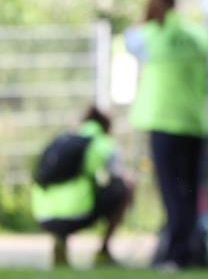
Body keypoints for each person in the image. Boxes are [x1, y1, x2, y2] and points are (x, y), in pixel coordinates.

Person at [125, 0, 208, 269]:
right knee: (189, 191)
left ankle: (176, 254)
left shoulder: (149, 34)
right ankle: (190, 250)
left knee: (171, 191)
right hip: (194, 121)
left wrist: (145, 18)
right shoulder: (198, 35)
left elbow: (128, 40)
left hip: (163, 121)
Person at [31, 106, 135, 267]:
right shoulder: (103, 144)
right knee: (124, 188)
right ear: (107, 127)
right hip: (78, 213)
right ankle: (103, 250)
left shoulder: (63, 140)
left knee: (72, 191)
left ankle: (60, 241)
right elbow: (118, 176)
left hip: (43, 215)